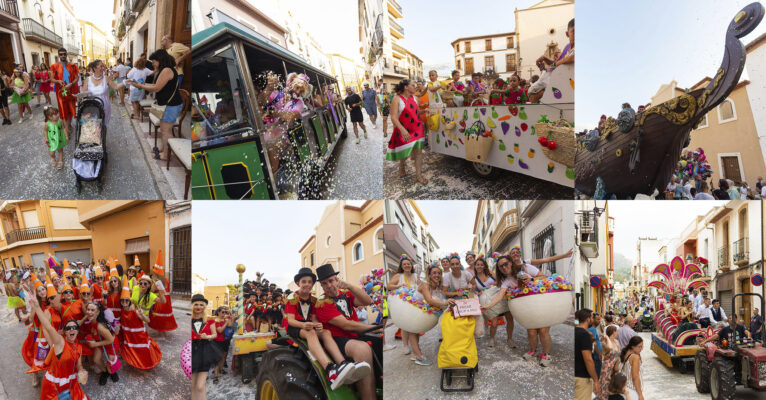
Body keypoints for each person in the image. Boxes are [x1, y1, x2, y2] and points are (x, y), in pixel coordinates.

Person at [286, 267, 369, 390]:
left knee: (326, 332)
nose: (307, 285)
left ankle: (342, 364)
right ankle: (329, 369)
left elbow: (314, 319)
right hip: (296, 326)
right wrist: (303, 325)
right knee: (310, 333)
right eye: (304, 282)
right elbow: (290, 320)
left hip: (309, 326)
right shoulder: (292, 298)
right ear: (298, 283)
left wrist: (317, 325)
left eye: (310, 282)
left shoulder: (314, 300)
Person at [315, 264, 381, 400]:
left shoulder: (346, 293)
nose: (328, 285)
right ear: (321, 286)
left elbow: (367, 301)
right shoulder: (321, 303)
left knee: (380, 339)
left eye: (331, 281)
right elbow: (346, 325)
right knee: (362, 349)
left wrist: (350, 286)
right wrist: (373, 327)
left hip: (355, 336)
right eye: (324, 283)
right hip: (338, 339)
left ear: (337, 279)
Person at [25, 293, 89, 399]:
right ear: (65, 332)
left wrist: (82, 371)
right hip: (53, 385)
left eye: (74, 327)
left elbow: (79, 365)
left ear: (78, 331)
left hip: (71, 383)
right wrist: (36, 307)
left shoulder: (79, 347)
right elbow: (48, 327)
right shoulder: (60, 342)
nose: (71, 329)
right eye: (68, 328)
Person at [127, 49, 183, 161]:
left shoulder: (167, 70)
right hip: (168, 104)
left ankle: (166, 154)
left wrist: (141, 86)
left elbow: (157, 88)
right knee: (164, 129)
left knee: (166, 130)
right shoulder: (164, 69)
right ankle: (163, 148)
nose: (152, 63)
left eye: (154, 61)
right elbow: (155, 85)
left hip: (170, 105)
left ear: (160, 60)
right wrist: (140, 84)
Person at [386, 255, 427, 364]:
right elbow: (389, 286)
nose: (407, 265)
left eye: (408, 264)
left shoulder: (415, 275)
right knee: (405, 326)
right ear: (401, 266)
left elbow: (420, 287)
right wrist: (400, 286)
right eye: (404, 264)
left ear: (411, 265)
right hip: (402, 303)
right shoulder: (399, 276)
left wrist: (420, 284)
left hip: (414, 303)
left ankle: (415, 349)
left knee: (415, 326)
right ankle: (406, 346)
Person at [386, 79, 427, 184]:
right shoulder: (396, 99)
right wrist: (403, 130)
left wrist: (424, 111)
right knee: (406, 153)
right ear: (406, 87)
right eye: (413, 85)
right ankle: (401, 165)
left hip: (417, 129)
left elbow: (415, 113)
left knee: (419, 153)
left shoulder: (414, 98)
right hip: (404, 130)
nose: (415, 87)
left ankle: (418, 176)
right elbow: (394, 117)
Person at [79, 302, 120, 385]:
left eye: (92, 310)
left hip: (111, 344)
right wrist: (82, 320)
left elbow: (111, 340)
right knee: (96, 360)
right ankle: (106, 372)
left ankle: (112, 372)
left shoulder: (100, 326)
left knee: (111, 364)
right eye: (88, 309)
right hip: (101, 342)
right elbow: (88, 315)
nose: (89, 312)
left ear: (97, 312)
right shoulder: (93, 318)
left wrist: (94, 344)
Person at [191, 294, 221, 400]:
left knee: (200, 386)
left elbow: (215, 335)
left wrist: (207, 336)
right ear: (192, 306)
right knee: (193, 386)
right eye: (196, 304)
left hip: (205, 352)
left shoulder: (209, 320)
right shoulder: (189, 320)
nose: (198, 307)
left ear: (204, 306)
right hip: (192, 353)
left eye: (201, 304)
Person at [81, 60, 126, 126]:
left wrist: (125, 82)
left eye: (103, 66)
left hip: (104, 106)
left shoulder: (106, 78)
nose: (103, 68)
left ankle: (103, 135)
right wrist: (80, 95)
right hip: (92, 107)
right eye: (101, 66)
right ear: (95, 68)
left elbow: (115, 87)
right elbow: (83, 92)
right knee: (93, 127)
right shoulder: (88, 79)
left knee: (103, 126)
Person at [50, 48, 80, 140]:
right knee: (63, 110)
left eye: (64, 54)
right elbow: (51, 79)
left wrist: (72, 84)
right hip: (60, 93)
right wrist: (58, 81)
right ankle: (66, 130)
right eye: (61, 54)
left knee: (71, 109)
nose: (63, 56)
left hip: (71, 91)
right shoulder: (54, 66)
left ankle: (69, 125)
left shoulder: (73, 65)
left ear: (66, 55)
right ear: (59, 55)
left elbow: (76, 78)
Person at [575, 308, 600, 400]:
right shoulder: (585, 335)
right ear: (588, 319)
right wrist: (596, 380)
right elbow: (588, 359)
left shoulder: (575, 331)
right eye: (592, 317)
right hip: (582, 378)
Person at [598, 325, 621, 400]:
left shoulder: (616, 341)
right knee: (605, 385)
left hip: (615, 367)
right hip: (607, 367)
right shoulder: (605, 341)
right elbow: (610, 348)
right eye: (617, 331)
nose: (618, 333)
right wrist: (607, 337)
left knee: (613, 388)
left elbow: (619, 354)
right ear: (613, 332)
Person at [211, 305, 233, 384]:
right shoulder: (216, 320)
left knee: (224, 356)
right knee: (217, 359)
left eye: (225, 312)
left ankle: (221, 369)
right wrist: (225, 323)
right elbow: (220, 330)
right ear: (218, 312)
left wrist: (231, 318)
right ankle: (215, 376)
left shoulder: (225, 320)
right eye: (223, 312)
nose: (224, 314)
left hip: (225, 340)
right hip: (217, 341)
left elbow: (230, 325)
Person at [619, 336, 644, 400]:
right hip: (632, 390)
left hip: (624, 388)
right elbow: (635, 377)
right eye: (639, 347)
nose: (641, 349)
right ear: (633, 346)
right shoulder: (635, 357)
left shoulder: (625, 353)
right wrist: (640, 395)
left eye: (642, 346)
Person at [589, 313, 603, 378]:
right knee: (597, 376)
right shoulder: (593, 329)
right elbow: (593, 343)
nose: (599, 321)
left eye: (599, 319)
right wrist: (599, 354)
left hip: (596, 356)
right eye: (597, 319)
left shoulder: (594, 329)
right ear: (593, 319)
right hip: (596, 356)